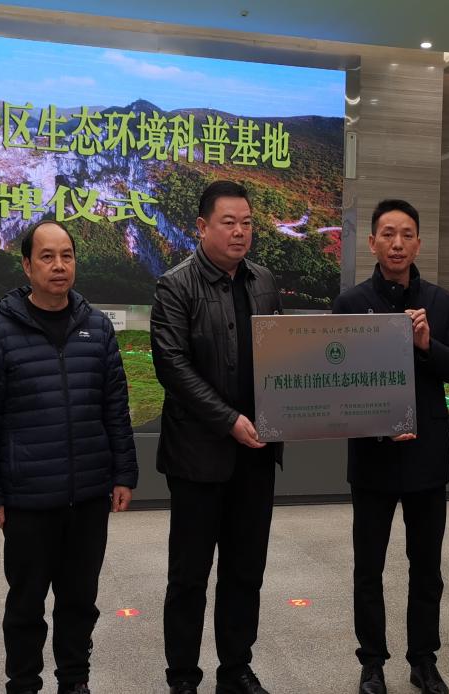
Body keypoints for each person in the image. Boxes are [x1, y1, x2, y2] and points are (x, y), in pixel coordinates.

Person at [0, 220, 138, 694]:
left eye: (67, 255)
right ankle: (23, 683)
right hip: (28, 497)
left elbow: (115, 408)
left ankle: (74, 681)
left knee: (80, 600)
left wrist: (123, 473)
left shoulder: (97, 328)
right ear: (27, 265)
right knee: (26, 603)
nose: (59, 265)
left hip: (88, 494)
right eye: (47, 256)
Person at [332, 199, 449, 694]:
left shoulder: (439, 301)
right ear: (372, 242)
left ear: (418, 243)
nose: (397, 244)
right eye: (388, 234)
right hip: (372, 458)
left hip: (426, 457)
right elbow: (337, 382)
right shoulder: (350, 304)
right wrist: (375, 424)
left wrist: (427, 344)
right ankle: (372, 662)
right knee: (368, 567)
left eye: (406, 234)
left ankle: (423, 660)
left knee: (426, 568)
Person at [150, 180, 284, 694]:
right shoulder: (175, 285)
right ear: (202, 227)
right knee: (189, 576)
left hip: (257, 453)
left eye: (247, 223)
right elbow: (173, 367)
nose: (240, 232)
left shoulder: (263, 281)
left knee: (245, 571)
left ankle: (236, 669)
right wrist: (228, 420)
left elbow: (283, 354)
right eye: (228, 223)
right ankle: (183, 676)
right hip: (197, 456)